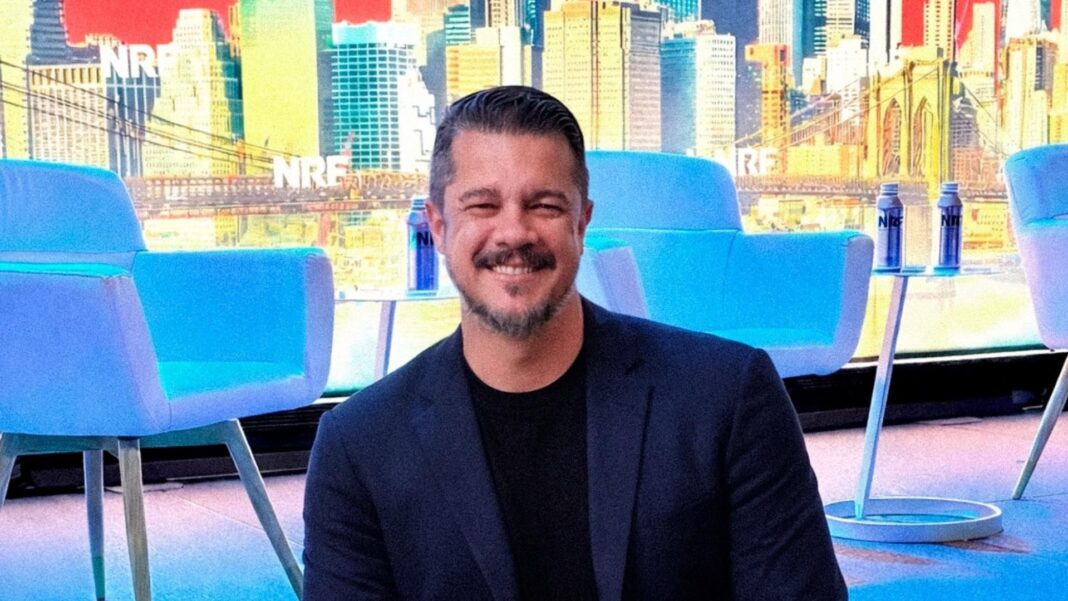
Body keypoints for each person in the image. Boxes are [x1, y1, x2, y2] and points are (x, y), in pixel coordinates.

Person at [302, 86, 847, 600]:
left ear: (582, 224)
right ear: (438, 227)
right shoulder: (359, 445)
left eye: (544, 205)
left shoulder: (727, 398)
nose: (514, 233)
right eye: (483, 205)